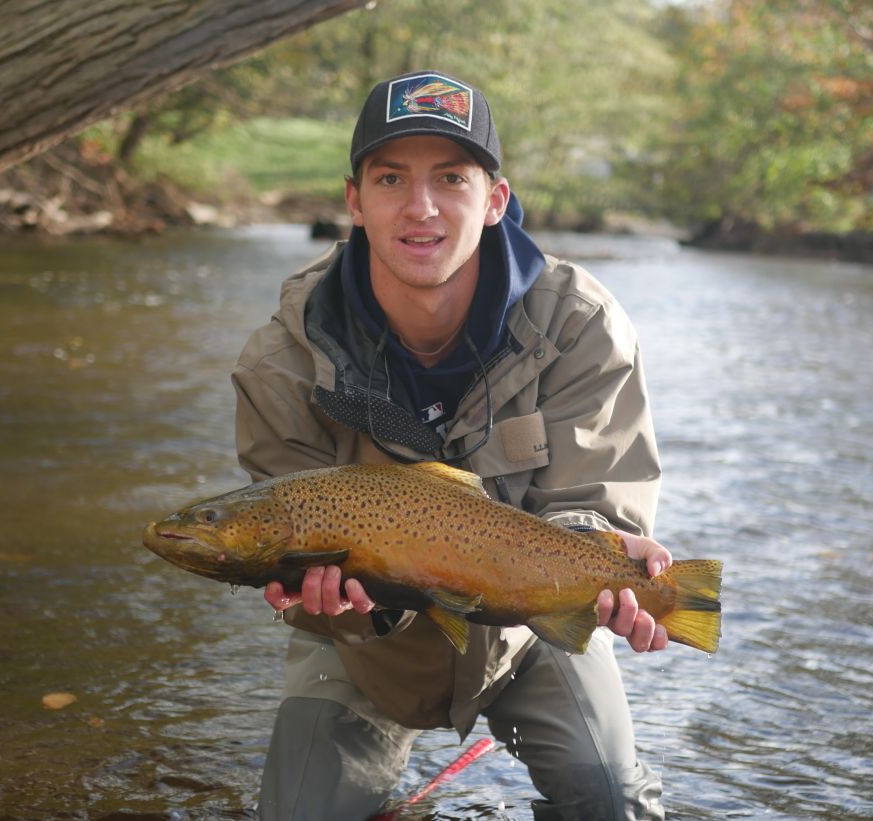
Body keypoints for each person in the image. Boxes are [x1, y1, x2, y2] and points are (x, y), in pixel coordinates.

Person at [231, 69, 670, 820]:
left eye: (452, 178)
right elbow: (284, 557)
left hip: (531, 629)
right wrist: (348, 607)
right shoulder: (285, 357)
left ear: (495, 200)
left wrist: (607, 566)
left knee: (612, 801)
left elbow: (591, 506)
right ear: (354, 201)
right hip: (359, 648)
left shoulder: (581, 327)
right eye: (392, 177)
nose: (421, 207)